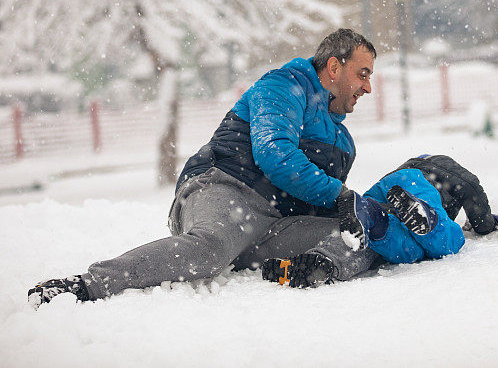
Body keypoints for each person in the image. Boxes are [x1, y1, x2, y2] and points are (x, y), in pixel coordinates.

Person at [28, 28, 381, 307]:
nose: (368, 87)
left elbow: (323, 201)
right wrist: (340, 194)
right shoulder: (284, 86)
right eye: (362, 73)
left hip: (274, 227)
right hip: (225, 191)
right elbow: (276, 154)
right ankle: (88, 284)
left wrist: (361, 214)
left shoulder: (343, 142)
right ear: (334, 67)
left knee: (364, 237)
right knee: (211, 248)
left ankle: (307, 267)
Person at [263, 154, 498, 287]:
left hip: (383, 200)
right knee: (450, 240)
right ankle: (421, 217)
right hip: (412, 187)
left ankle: (323, 262)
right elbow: (476, 200)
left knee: (401, 249)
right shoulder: (442, 171)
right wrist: (490, 223)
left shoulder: (411, 175)